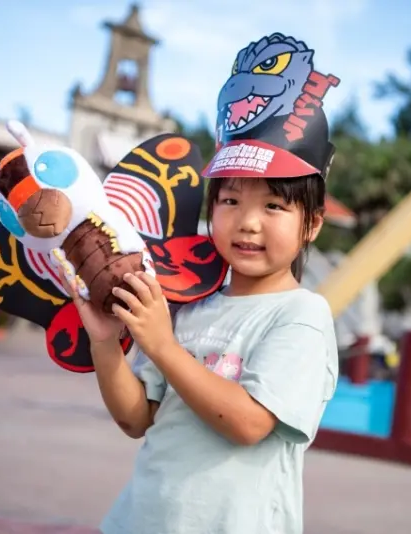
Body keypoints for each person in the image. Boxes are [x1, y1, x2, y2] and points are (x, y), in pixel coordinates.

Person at [66, 33, 342, 534]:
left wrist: (164, 346)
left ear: (312, 223)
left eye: (274, 206)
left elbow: (249, 424)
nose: (248, 222)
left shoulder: (301, 316)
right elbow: (135, 419)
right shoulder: (187, 302)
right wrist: (106, 343)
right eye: (230, 201)